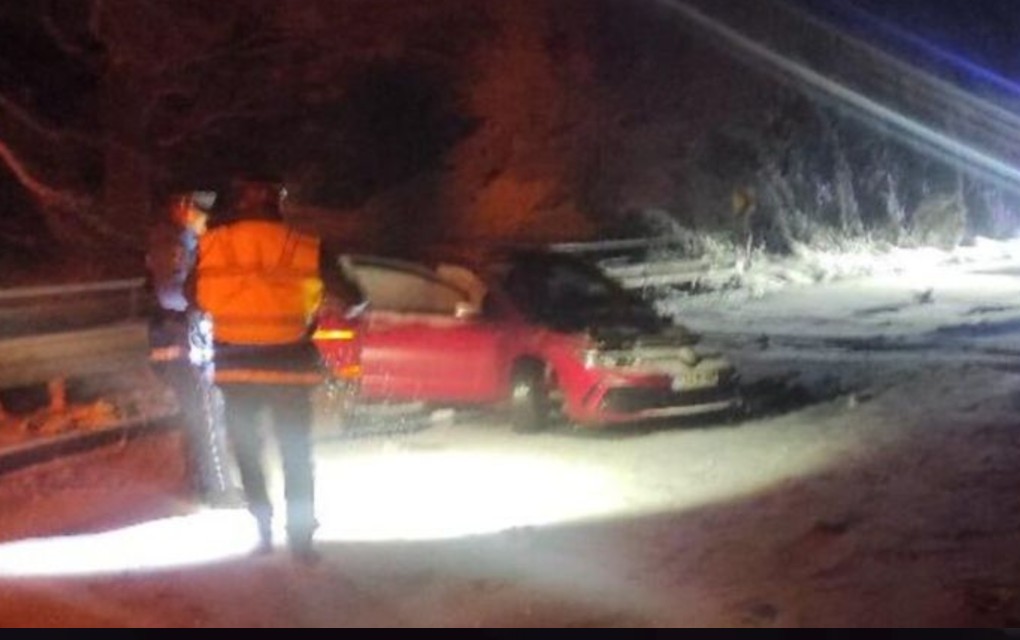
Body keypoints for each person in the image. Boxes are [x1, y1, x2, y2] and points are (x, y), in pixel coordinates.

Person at [187, 176, 357, 563]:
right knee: (295, 453)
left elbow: (189, 297)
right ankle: (301, 542)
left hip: (236, 370)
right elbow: (353, 298)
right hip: (290, 369)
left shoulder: (212, 245)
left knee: (248, 451)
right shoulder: (306, 246)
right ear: (277, 204)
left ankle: (262, 531)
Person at [145, 192, 240, 508]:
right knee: (207, 412)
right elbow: (172, 294)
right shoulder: (174, 243)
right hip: (182, 338)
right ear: (184, 209)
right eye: (200, 214)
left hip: (184, 336)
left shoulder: (182, 241)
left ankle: (203, 484)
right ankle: (219, 489)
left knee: (203, 413)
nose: (204, 220)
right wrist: (212, 302)